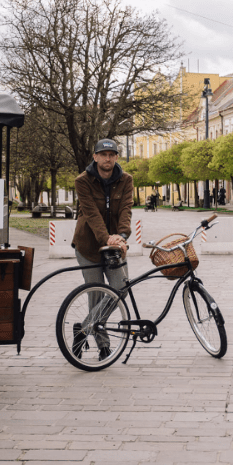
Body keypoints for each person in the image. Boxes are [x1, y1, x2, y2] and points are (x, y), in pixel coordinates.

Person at [71, 138, 134, 360]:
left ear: (116, 157)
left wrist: (122, 236)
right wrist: (108, 238)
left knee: (120, 288)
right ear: (95, 157)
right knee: (96, 293)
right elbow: (91, 214)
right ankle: (104, 346)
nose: (107, 158)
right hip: (88, 245)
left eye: (112, 154)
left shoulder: (126, 180)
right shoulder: (83, 181)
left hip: (115, 245)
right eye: (103, 154)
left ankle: (83, 329)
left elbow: (126, 209)